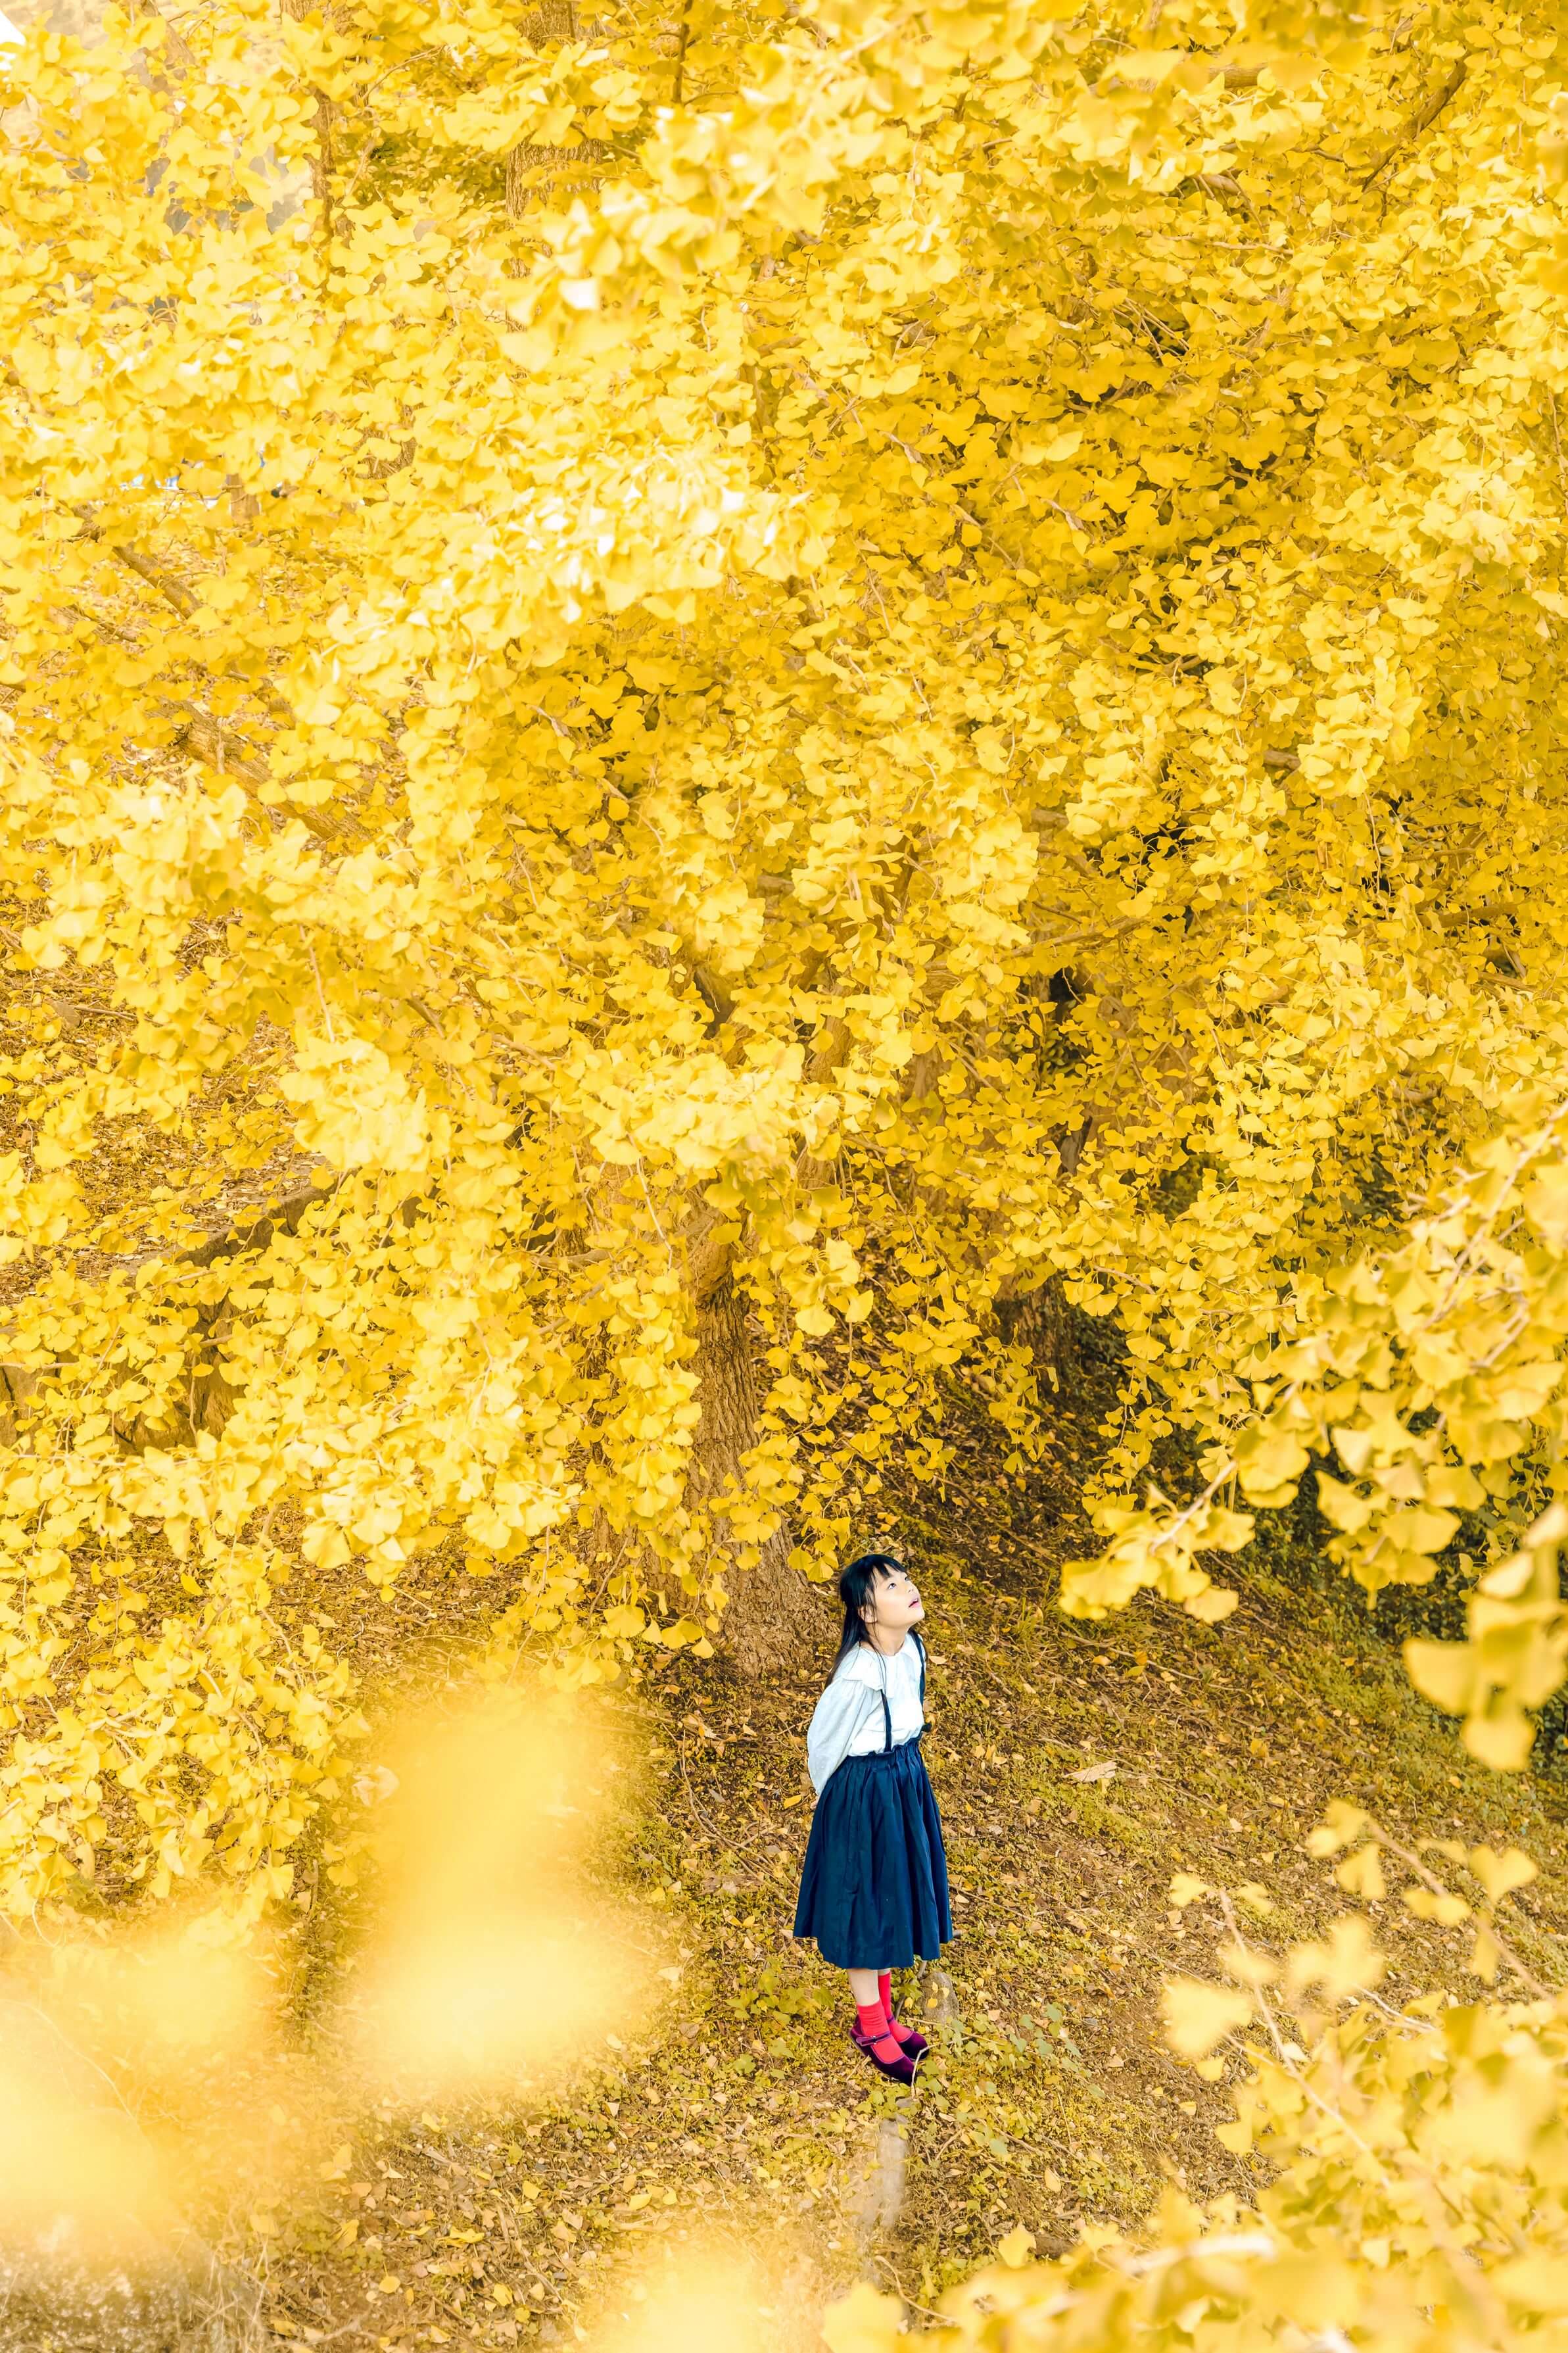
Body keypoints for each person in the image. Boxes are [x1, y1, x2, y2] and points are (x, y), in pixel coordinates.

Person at [792, 1551, 953, 2085]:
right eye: (890, 1585)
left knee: (891, 1896)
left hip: (904, 1779)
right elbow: (824, 1744)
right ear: (866, 1611)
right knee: (864, 1905)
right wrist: (838, 1805)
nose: (907, 1587)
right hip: (863, 1790)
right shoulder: (859, 1675)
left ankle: (885, 2017)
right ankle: (870, 2027)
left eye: (905, 1578)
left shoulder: (912, 1649)